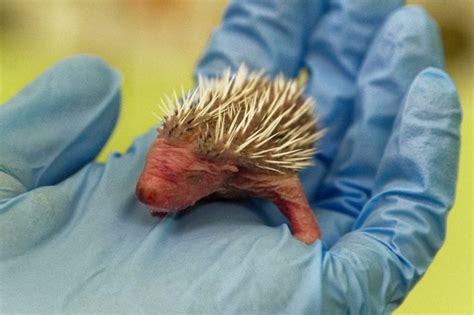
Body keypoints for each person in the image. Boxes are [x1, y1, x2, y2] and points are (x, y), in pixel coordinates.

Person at [0, 0, 461, 313]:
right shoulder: (179, 151)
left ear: (228, 174)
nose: (144, 191)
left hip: (258, 139)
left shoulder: (258, 170)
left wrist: (306, 244)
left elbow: (292, 198)